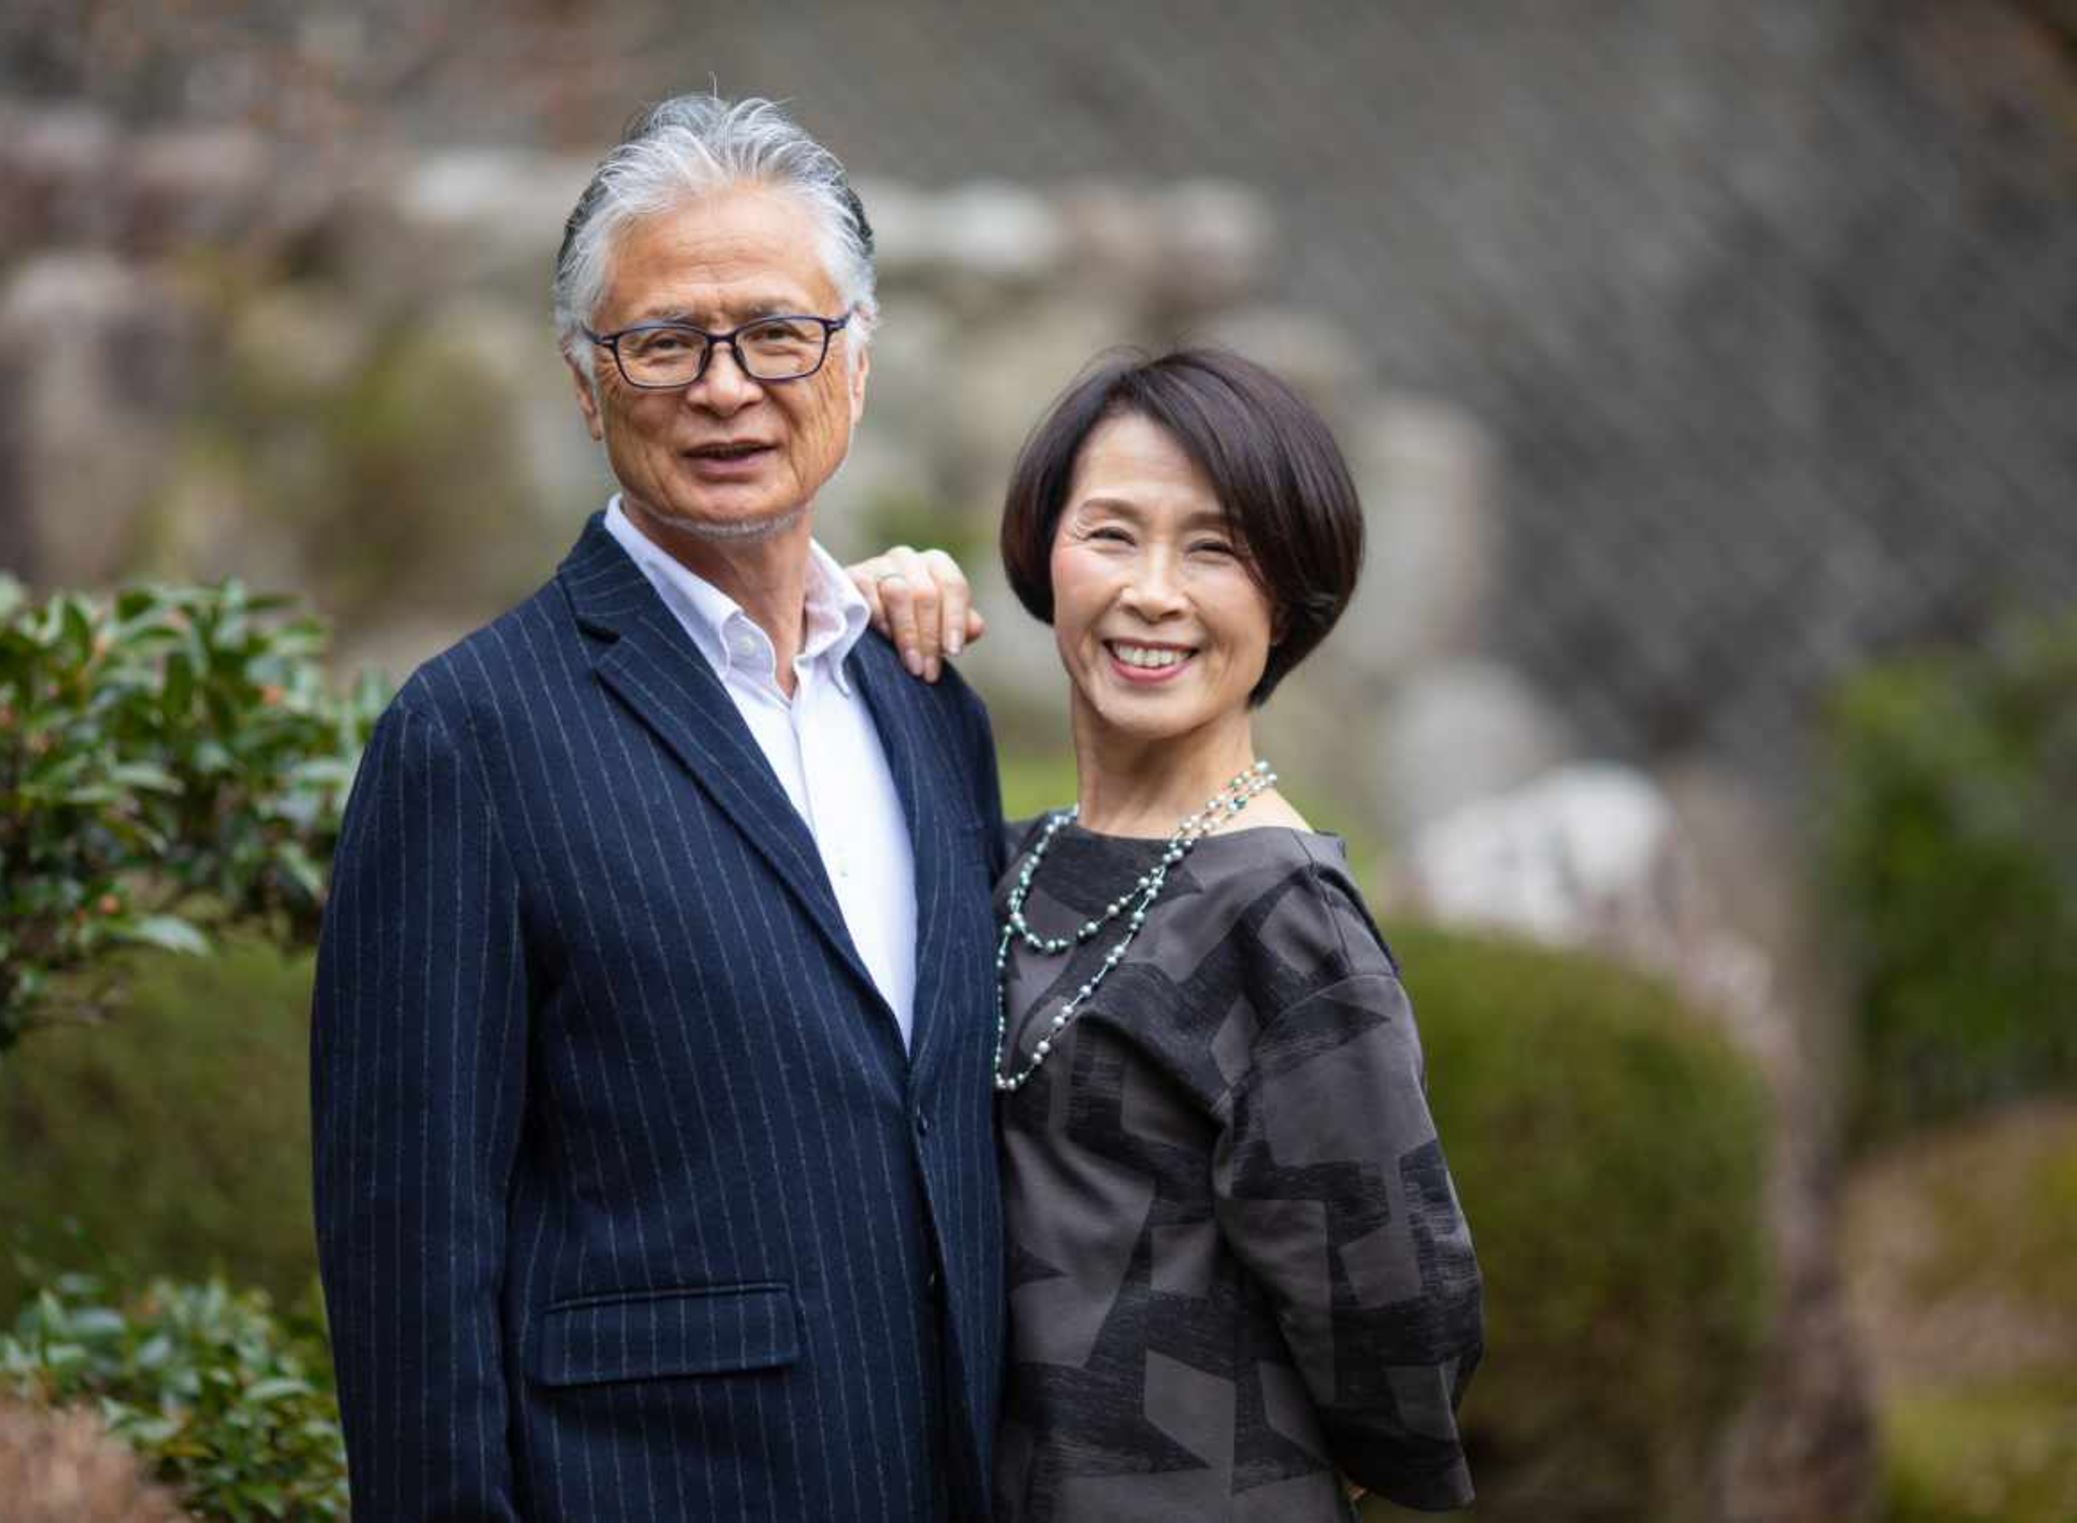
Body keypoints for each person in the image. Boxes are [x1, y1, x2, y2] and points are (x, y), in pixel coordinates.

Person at [309, 94, 1009, 1522]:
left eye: (776, 332)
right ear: (588, 385)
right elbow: (410, 1263)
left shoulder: (929, 701)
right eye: (665, 342)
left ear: (857, 360)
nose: (725, 386)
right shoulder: (469, 737)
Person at [860, 349, 1483, 1520]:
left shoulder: (1286, 920)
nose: (1154, 591)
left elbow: (1404, 1336)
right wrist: (839, 616)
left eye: (1215, 548)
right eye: (1112, 533)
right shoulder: (1004, 858)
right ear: (1043, 551)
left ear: (1290, 595)